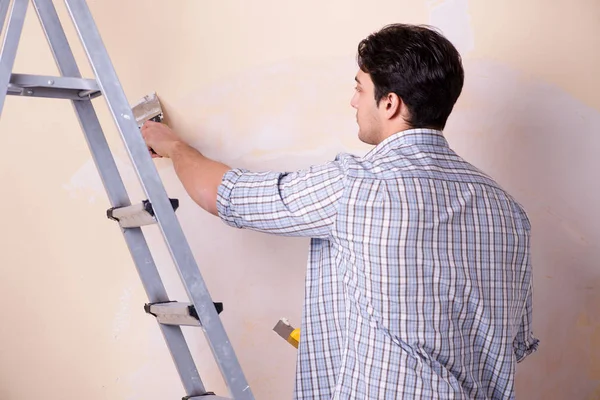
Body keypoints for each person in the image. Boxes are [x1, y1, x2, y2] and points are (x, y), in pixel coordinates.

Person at [141, 23, 539, 399]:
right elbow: (513, 342)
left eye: (360, 89)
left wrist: (175, 146)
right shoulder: (508, 212)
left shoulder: (357, 187)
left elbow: (225, 195)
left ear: (389, 103)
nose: (353, 100)